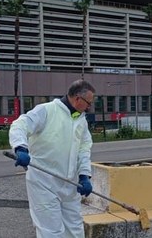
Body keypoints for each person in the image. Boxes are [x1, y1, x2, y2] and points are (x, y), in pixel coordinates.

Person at [9, 79, 96, 237]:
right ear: (77, 98)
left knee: (75, 229)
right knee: (51, 231)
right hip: (44, 183)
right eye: (88, 103)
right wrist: (21, 147)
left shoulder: (80, 120)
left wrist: (84, 175)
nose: (89, 107)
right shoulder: (47, 111)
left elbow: (84, 149)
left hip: (70, 184)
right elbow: (20, 125)